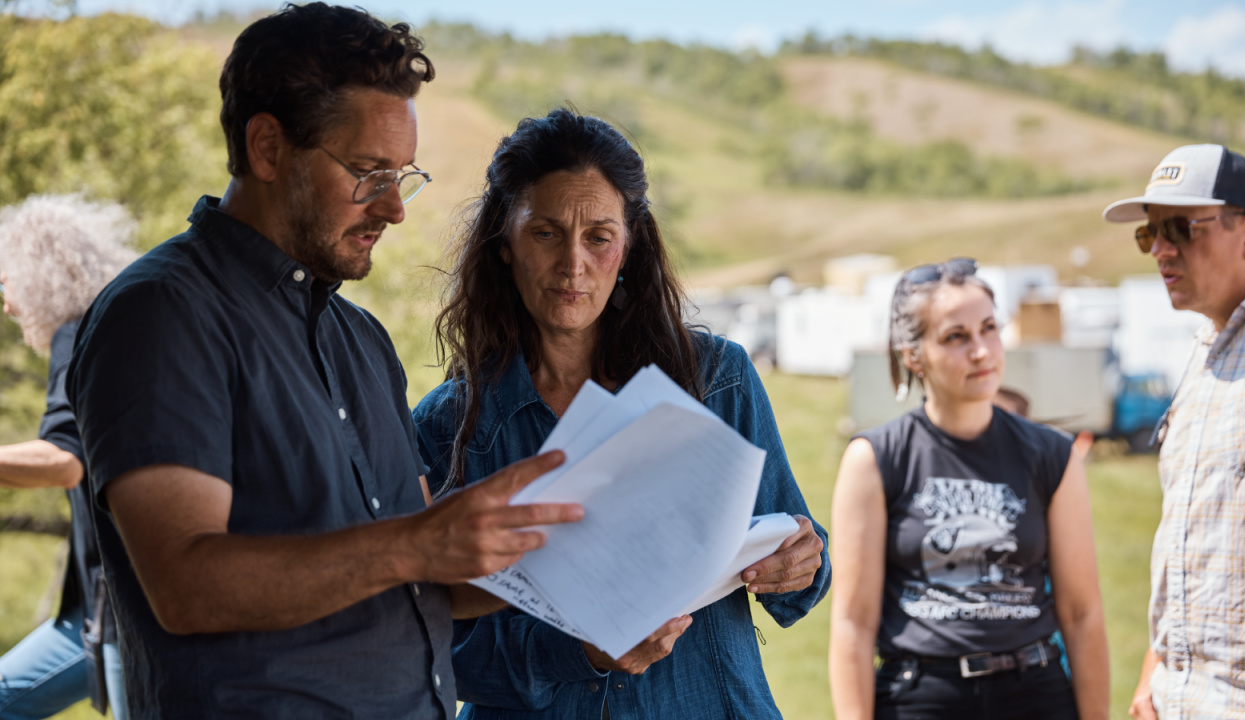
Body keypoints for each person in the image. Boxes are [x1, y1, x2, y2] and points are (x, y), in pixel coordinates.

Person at [64, 5, 581, 719]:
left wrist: (573, 552)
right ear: (268, 147)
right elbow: (185, 584)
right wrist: (416, 544)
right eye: (370, 173)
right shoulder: (162, 312)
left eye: (404, 176)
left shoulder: (360, 337)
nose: (395, 209)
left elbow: (426, 576)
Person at [414, 107, 831, 719]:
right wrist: (578, 651)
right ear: (505, 244)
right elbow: (431, 644)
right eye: (546, 233)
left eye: (599, 237)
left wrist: (803, 560)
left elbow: (797, 551)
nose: (573, 265)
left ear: (629, 246)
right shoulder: (448, 427)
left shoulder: (717, 380)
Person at [828, 258, 1109, 720]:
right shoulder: (876, 458)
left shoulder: (1052, 455)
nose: (981, 351)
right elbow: (852, 624)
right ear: (913, 355)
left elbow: (1082, 614)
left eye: (988, 329)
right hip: (921, 698)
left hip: (1036, 693)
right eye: (956, 337)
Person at [1101, 144, 1245, 720]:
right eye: (1148, 233)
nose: (1159, 249)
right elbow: (1192, 537)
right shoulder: (1204, 352)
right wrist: (1154, 674)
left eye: (1179, 227)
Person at [0, 194, 135, 720]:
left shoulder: (74, 335)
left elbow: (63, 458)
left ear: (36, 275)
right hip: (97, 609)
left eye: (5, 281)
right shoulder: (112, 328)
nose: (6, 302)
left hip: (126, 609)